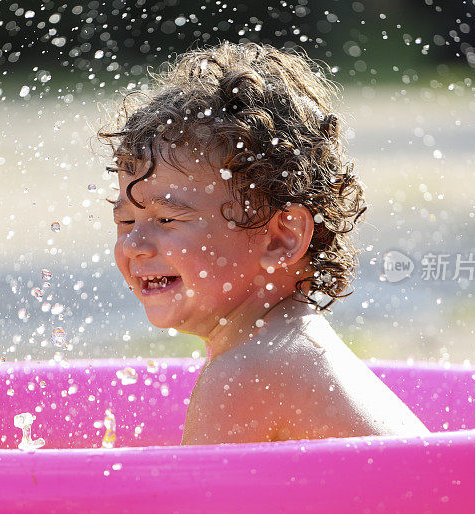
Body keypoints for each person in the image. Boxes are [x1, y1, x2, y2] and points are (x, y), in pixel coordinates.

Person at [99, 41, 429, 444]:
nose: (134, 244)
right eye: (126, 220)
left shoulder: (245, 373)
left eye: (167, 219)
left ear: (281, 239)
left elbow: (194, 507)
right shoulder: (287, 346)